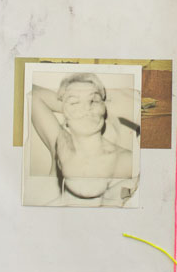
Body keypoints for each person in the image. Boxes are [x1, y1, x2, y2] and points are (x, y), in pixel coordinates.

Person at [30, 73, 135, 206]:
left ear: (104, 108)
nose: (86, 107)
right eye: (74, 102)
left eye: (94, 100)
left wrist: (89, 110)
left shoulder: (127, 161)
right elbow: (33, 94)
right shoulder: (60, 145)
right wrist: (74, 110)